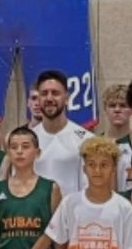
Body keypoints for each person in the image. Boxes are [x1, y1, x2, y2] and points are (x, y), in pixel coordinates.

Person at [32, 67, 89, 198]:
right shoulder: (28, 140)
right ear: (38, 99)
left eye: (55, 93)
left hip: (72, 210)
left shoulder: (85, 139)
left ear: (67, 98)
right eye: (44, 93)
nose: (49, 98)